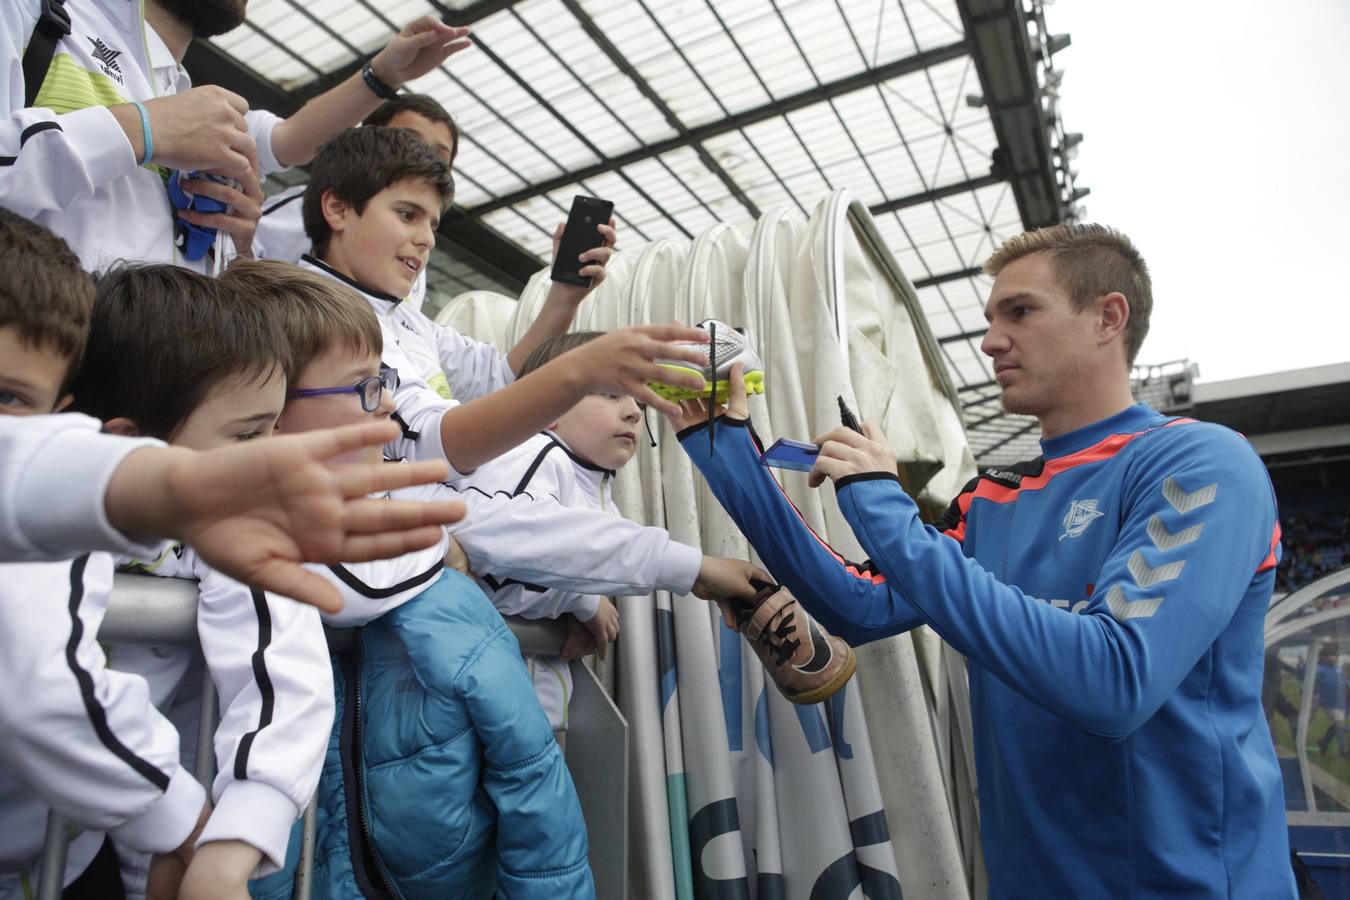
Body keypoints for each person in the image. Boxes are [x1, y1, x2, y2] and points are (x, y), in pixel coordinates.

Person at [669, 224, 1294, 897]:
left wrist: (883, 507)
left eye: (1020, 312)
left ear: (1108, 318)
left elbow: (1115, 682)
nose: (992, 340)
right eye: (990, 318)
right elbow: (857, 604)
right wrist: (726, 451)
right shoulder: (994, 497)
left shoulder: (1201, 462)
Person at [221, 259, 764, 898]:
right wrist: (444, 548)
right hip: (331, 826)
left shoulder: (385, 506)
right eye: (365, 388)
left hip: (373, 821)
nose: (389, 405)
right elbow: (509, 537)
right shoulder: (516, 466)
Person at [0, 207, 464, 609]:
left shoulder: (206, 523)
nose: (385, 401)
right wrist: (440, 546)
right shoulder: (88, 534)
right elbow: (352, 587)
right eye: (248, 434)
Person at [68, 264, 334, 900]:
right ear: (128, 444)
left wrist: (230, 843)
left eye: (274, 429)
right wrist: (181, 821)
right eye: (247, 436)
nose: (271, 455)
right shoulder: (37, 518)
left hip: (79, 852)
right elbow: (57, 691)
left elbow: (284, 671)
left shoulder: (232, 515)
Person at [294, 124, 705, 476]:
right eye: (407, 214)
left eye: (433, 224)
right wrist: (579, 369)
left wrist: (563, 298)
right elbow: (427, 444)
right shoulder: (312, 312)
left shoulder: (405, 319)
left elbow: (501, 379)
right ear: (338, 209)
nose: (427, 238)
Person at [1, 1, 471, 272]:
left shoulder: (184, 94)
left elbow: (288, 140)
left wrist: (235, 253)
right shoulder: (33, 13)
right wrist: (142, 129)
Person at [253, 92, 457, 319]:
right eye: (408, 137)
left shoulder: (412, 259)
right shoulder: (301, 209)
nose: (423, 154)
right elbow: (232, 263)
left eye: (439, 155)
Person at [1314, 647, 1347, 757]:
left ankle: (1323, 744)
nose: (1334, 658)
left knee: (1336, 727)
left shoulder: (1338, 670)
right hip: (1330, 704)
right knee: (1340, 725)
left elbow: (1344, 682)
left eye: (1335, 655)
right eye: (1331, 655)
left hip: (1342, 703)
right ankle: (1344, 751)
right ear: (1323, 657)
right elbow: (1315, 687)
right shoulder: (1319, 670)